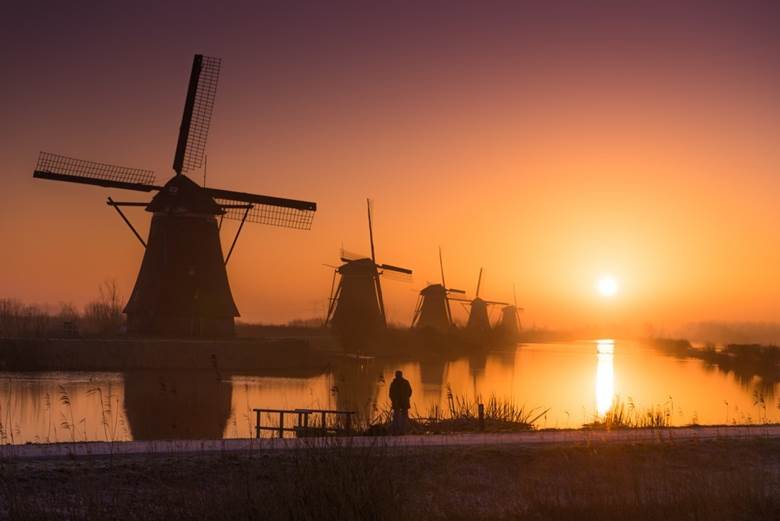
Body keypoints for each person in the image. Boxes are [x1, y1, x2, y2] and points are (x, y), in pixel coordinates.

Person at [389, 370, 412, 434]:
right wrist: (394, 401)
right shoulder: (394, 384)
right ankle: (398, 430)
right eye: (397, 375)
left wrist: (405, 398)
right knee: (397, 417)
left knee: (404, 418)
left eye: (398, 375)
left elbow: (410, 392)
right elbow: (391, 394)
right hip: (397, 404)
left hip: (404, 403)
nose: (398, 376)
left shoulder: (404, 382)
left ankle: (403, 430)